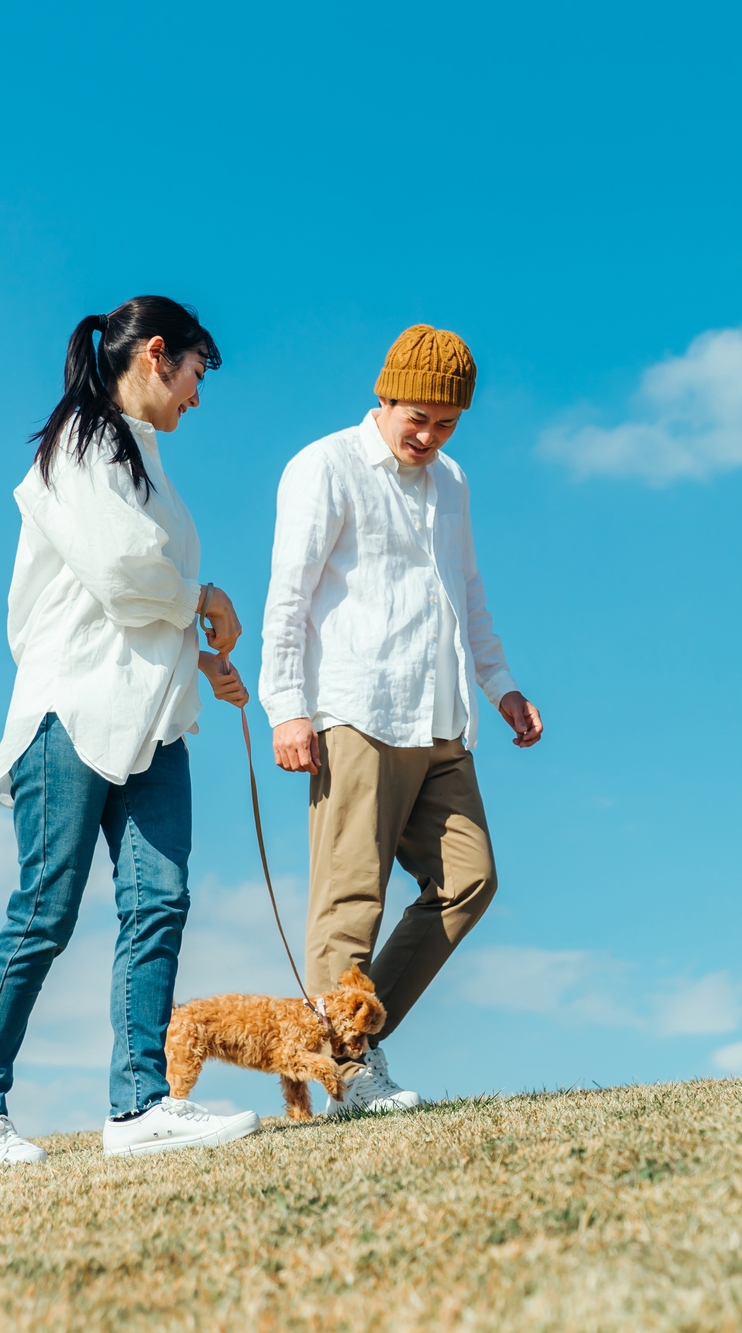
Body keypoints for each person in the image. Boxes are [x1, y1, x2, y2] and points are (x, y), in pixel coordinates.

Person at [0, 297, 262, 1166]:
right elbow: (126, 576)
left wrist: (196, 660)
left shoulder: (148, 463)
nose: (199, 396)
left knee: (158, 901)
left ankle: (140, 1103)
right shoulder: (82, 442)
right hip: (71, 712)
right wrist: (204, 599)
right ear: (158, 355)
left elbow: (127, 603)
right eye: (197, 373)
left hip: (150, 719)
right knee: (46, 911)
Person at [260, 323, 544, 1115]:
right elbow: (288, 593)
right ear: (382, 398)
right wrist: (288, 708)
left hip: (442, 713)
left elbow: (468, 593)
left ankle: (344, 1040)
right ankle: (348, 1072)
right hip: (356, 708)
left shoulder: (452, 481)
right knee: (351, 901)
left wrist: (502, 685)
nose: (429, 435)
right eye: (417, 417)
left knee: (470, 879)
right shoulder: (325, 466)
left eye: (446, 423)